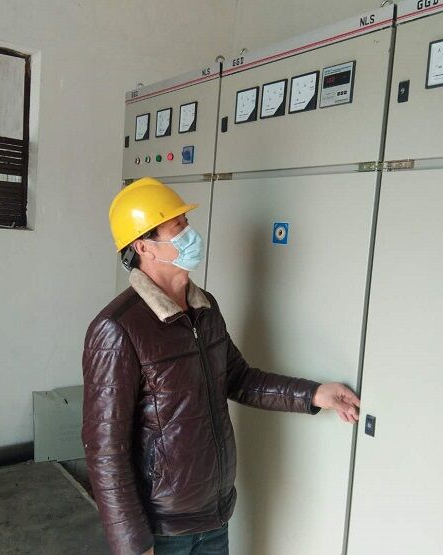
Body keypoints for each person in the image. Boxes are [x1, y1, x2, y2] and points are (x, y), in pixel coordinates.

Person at [81, 177, 361, 555]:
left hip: (214, 514)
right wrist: (132, 544)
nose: (189, 234)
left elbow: (239, 379)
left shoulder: (205, 308)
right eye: (176, 227)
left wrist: (314, 394)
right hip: (163, 528)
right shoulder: (118, 328)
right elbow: (105, 449)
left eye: (186, 223)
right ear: (143, 246)